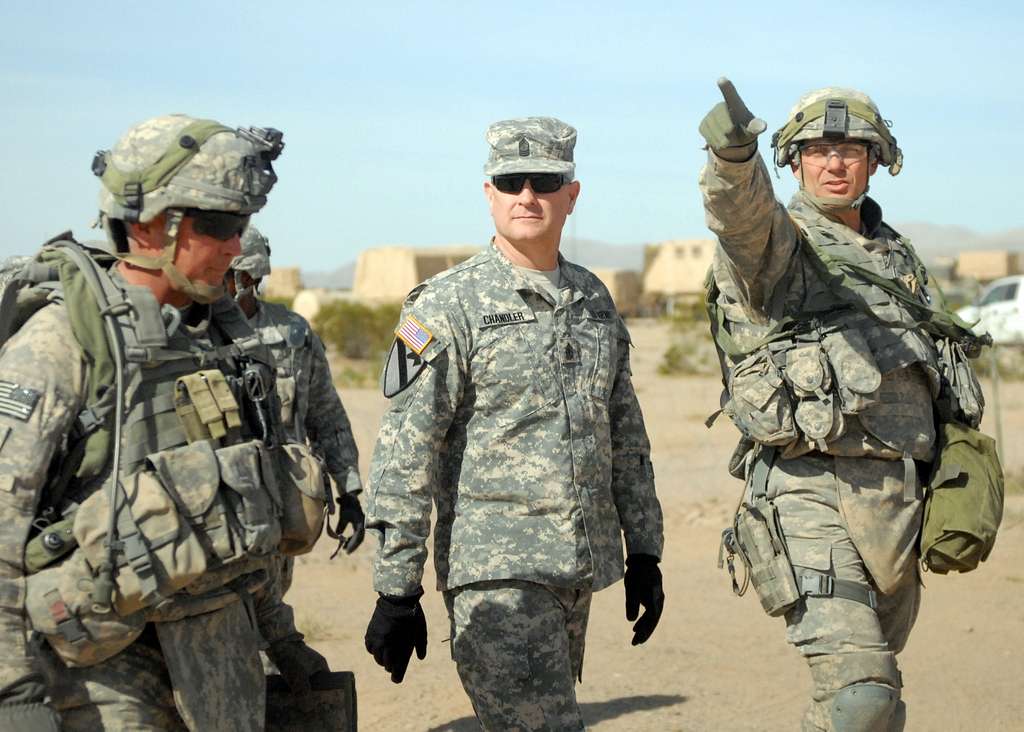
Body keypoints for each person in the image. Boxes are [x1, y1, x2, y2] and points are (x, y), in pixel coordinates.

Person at [699, 79, 987, 731]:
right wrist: (732, 159)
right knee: (863, 691)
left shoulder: (900, 260)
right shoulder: (777, 247)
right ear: (794, 160)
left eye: (852, 149)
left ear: (879, 159)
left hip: (897, 501)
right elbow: (737, 214)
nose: (835, 161)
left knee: (868, 700)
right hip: (808, 493)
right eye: (818, 148)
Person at [363, 116, 665, 731]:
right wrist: (398, 586)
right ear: (489, 194)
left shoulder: (593, 299)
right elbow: (406, 449)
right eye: (510, 181)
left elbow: (625, 436)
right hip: (497, 575)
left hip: (578, 568)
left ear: (571, 195)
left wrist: (645, 552)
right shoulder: (446, 305)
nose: (527, 196)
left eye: (545, 180)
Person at [0, 114, 296, 731]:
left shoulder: (222, 337)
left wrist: (280, 636)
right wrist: (14, 693)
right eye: (217, 225)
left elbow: (244, 511)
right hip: (103, 677)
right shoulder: (61, 344)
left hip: (224, 666)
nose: (234, 245)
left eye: (240, 225)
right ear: (145, 225)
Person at [225, 226, 366, 691]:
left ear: (250, 277)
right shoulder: (195, 334)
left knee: (271, 623)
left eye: (235, 275)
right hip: (223, 505)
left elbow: (326, 415)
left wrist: (349, 492)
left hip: (283, 506)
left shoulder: (292, 334)